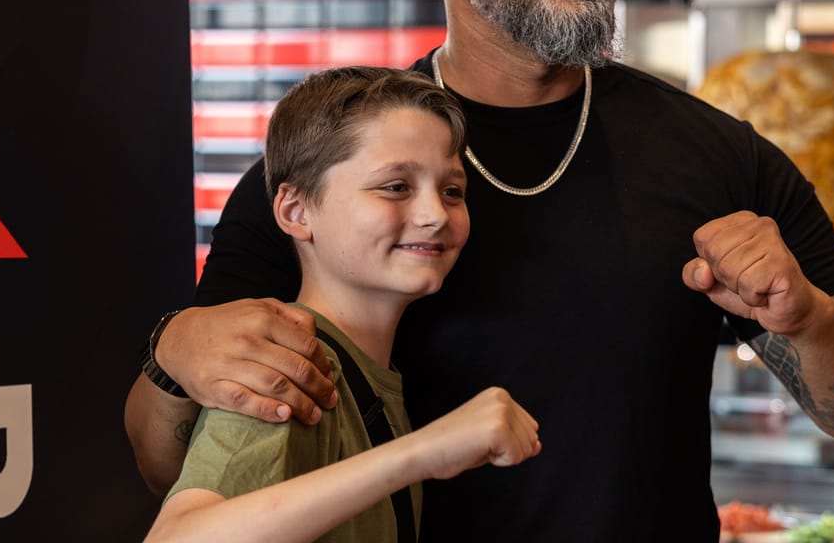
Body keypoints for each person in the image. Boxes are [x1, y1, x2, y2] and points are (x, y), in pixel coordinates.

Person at [125, 0, 834, 542]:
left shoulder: (717, 155)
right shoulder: (333, 170)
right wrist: (176, 354)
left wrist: (809, 319)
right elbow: (177, 470)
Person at [143, 66, 540, 543]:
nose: (436, 214)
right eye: (395, 186)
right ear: (295, 211)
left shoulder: (369, 374)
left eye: (452, 191)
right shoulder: (286, 372)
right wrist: (427, 451)